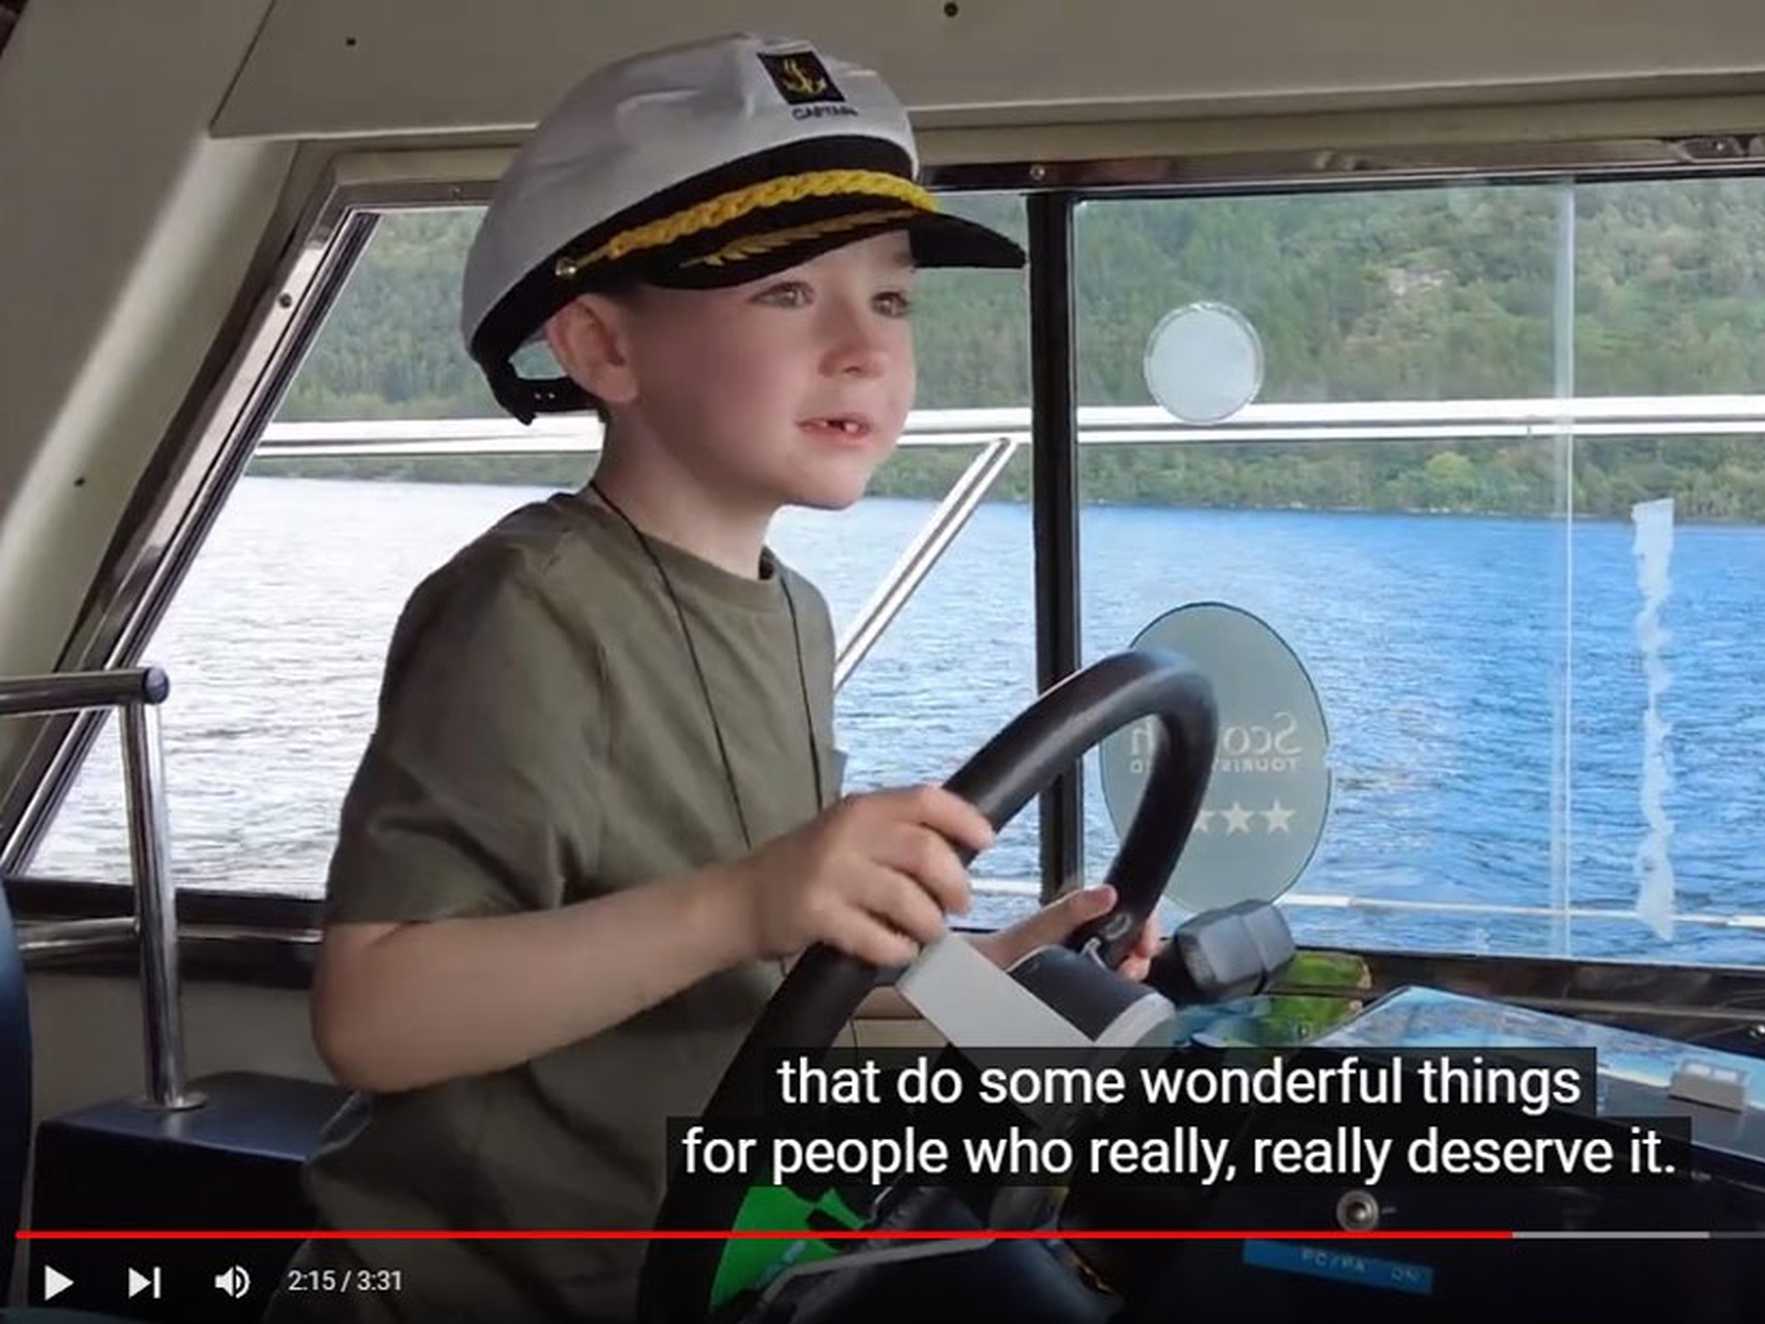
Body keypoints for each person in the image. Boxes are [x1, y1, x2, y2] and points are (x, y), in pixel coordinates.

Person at [263, 33, 1157, 1323]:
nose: (862, 348)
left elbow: (764, 997)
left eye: (891, 299)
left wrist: (1004, 972)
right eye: (788, 294)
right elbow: (375, 1015)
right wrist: (749, 902)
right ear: (604, 350)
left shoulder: (790, 614)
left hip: (701, 1272)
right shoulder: (528, 608)